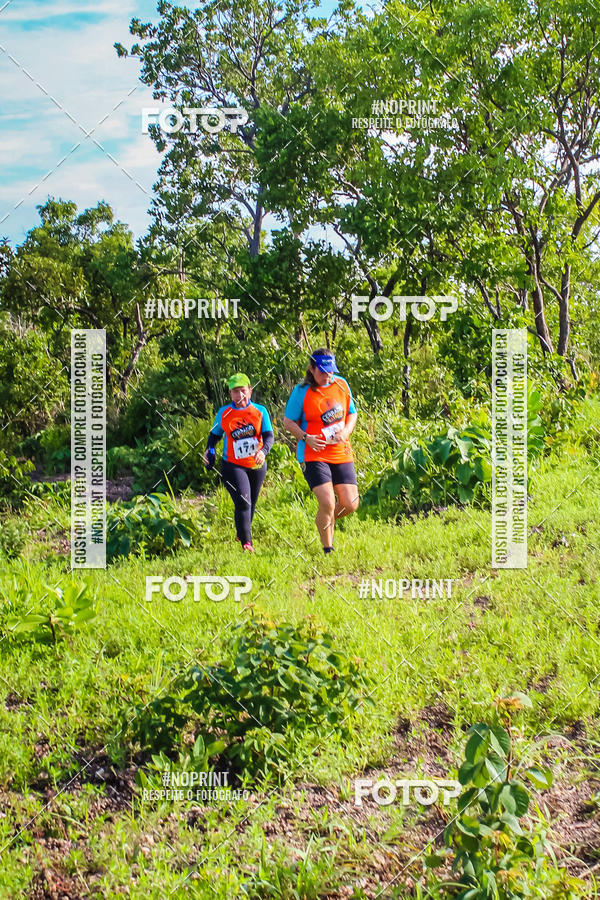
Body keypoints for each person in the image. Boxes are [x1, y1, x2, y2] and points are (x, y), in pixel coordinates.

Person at [283, 349, 359, 553]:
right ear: (311, 369)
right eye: (322, 371)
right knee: (327, 501)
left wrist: (346, 432)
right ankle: (328, 549)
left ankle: (325, 519)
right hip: (313, 453)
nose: (327, 376)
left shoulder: (341, 384)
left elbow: (352, 414)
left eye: (330, 371)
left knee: (351, 503)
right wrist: (306, 437)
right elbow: (288, 422)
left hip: (340, 451)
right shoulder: (302, 392)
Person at [203, 373, 274, 552]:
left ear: (250, 391)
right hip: (232, 465)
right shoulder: (224, 413)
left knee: (251, 503)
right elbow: (213, 437)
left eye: (243, 390)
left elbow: (269, 437)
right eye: (235, 391)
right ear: (230, 394)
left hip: (257, 464)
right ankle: (247, 544)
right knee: (243, 500)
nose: (239, 395)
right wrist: (210, 452)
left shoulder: (260, 411)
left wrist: (263, 452)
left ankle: (241, 532)